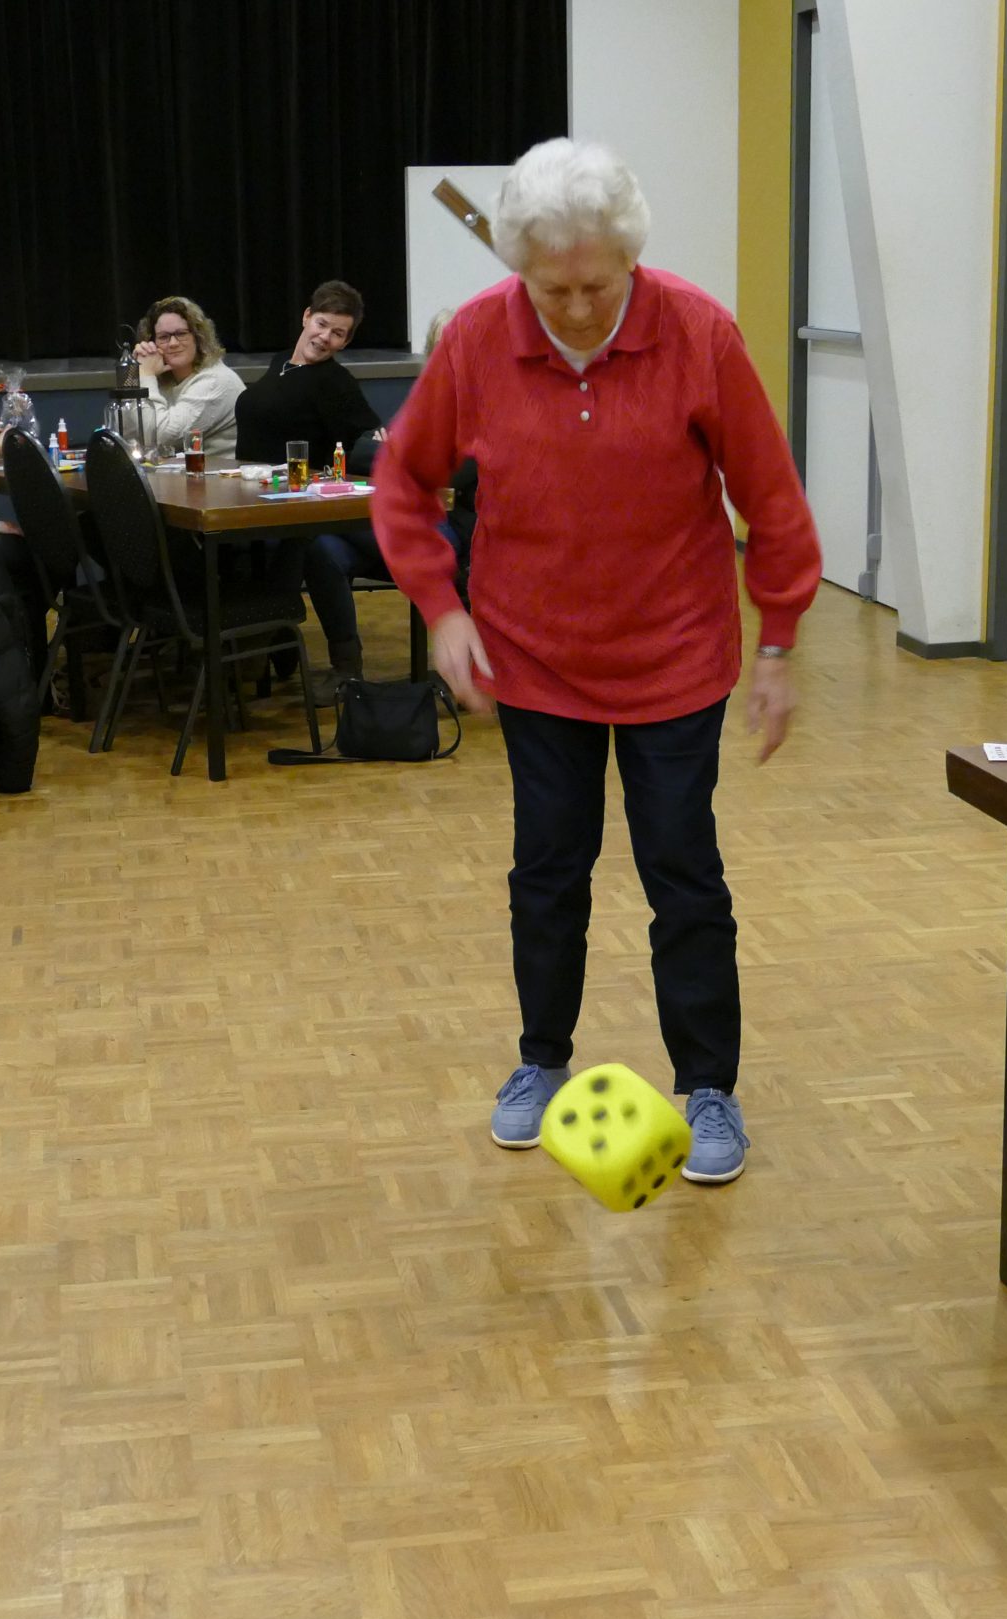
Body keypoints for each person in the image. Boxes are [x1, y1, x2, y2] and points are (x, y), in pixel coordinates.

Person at [374, 138, 820, 1185]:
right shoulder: (478, 339)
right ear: (518, 270)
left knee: (682, 870)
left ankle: (707, 1086)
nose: (575, 309)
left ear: (630, 259)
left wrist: (779, 641)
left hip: (675, 653)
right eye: (552, 289)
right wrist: (442, 609)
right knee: (547, 869)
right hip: (534, 657)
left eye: (597, 286)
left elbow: (770, 496)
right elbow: (404, 484)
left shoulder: (698, 332)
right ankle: (541, 1060)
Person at [237, 279, 381, 688]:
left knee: (303, 544)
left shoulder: (335, 382)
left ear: (346, 341)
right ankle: (270, 644)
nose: (325, 338)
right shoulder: (282, 362)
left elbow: (367, 438)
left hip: (299, 500)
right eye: (322, 324)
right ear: (306, 317)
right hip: (254, 492)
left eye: (338, 333)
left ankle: (272, 645)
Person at [129, 295, 244, 459]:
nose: (173, 343)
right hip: (181, 472)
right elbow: (128, 435)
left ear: (198, 337)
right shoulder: (164, 378)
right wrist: (137, 374)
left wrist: (146, 376)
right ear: (152, 343)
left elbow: (161, 437)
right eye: (163, 337)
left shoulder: (215, 380)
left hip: (221, 473)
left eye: (181, 334)